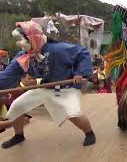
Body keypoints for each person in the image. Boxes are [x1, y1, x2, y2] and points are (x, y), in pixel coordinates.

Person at [0, 21, 96, 149]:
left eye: (20, 39)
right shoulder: (22, 58)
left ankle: (89, 133)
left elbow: (81, 52)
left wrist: (80, 73)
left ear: (32, 38)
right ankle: (19, 135)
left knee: (73, 113)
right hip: (46, 87)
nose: (19, 43)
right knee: (18, 106)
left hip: (67, 88)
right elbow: (6, 77)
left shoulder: (58, 49)